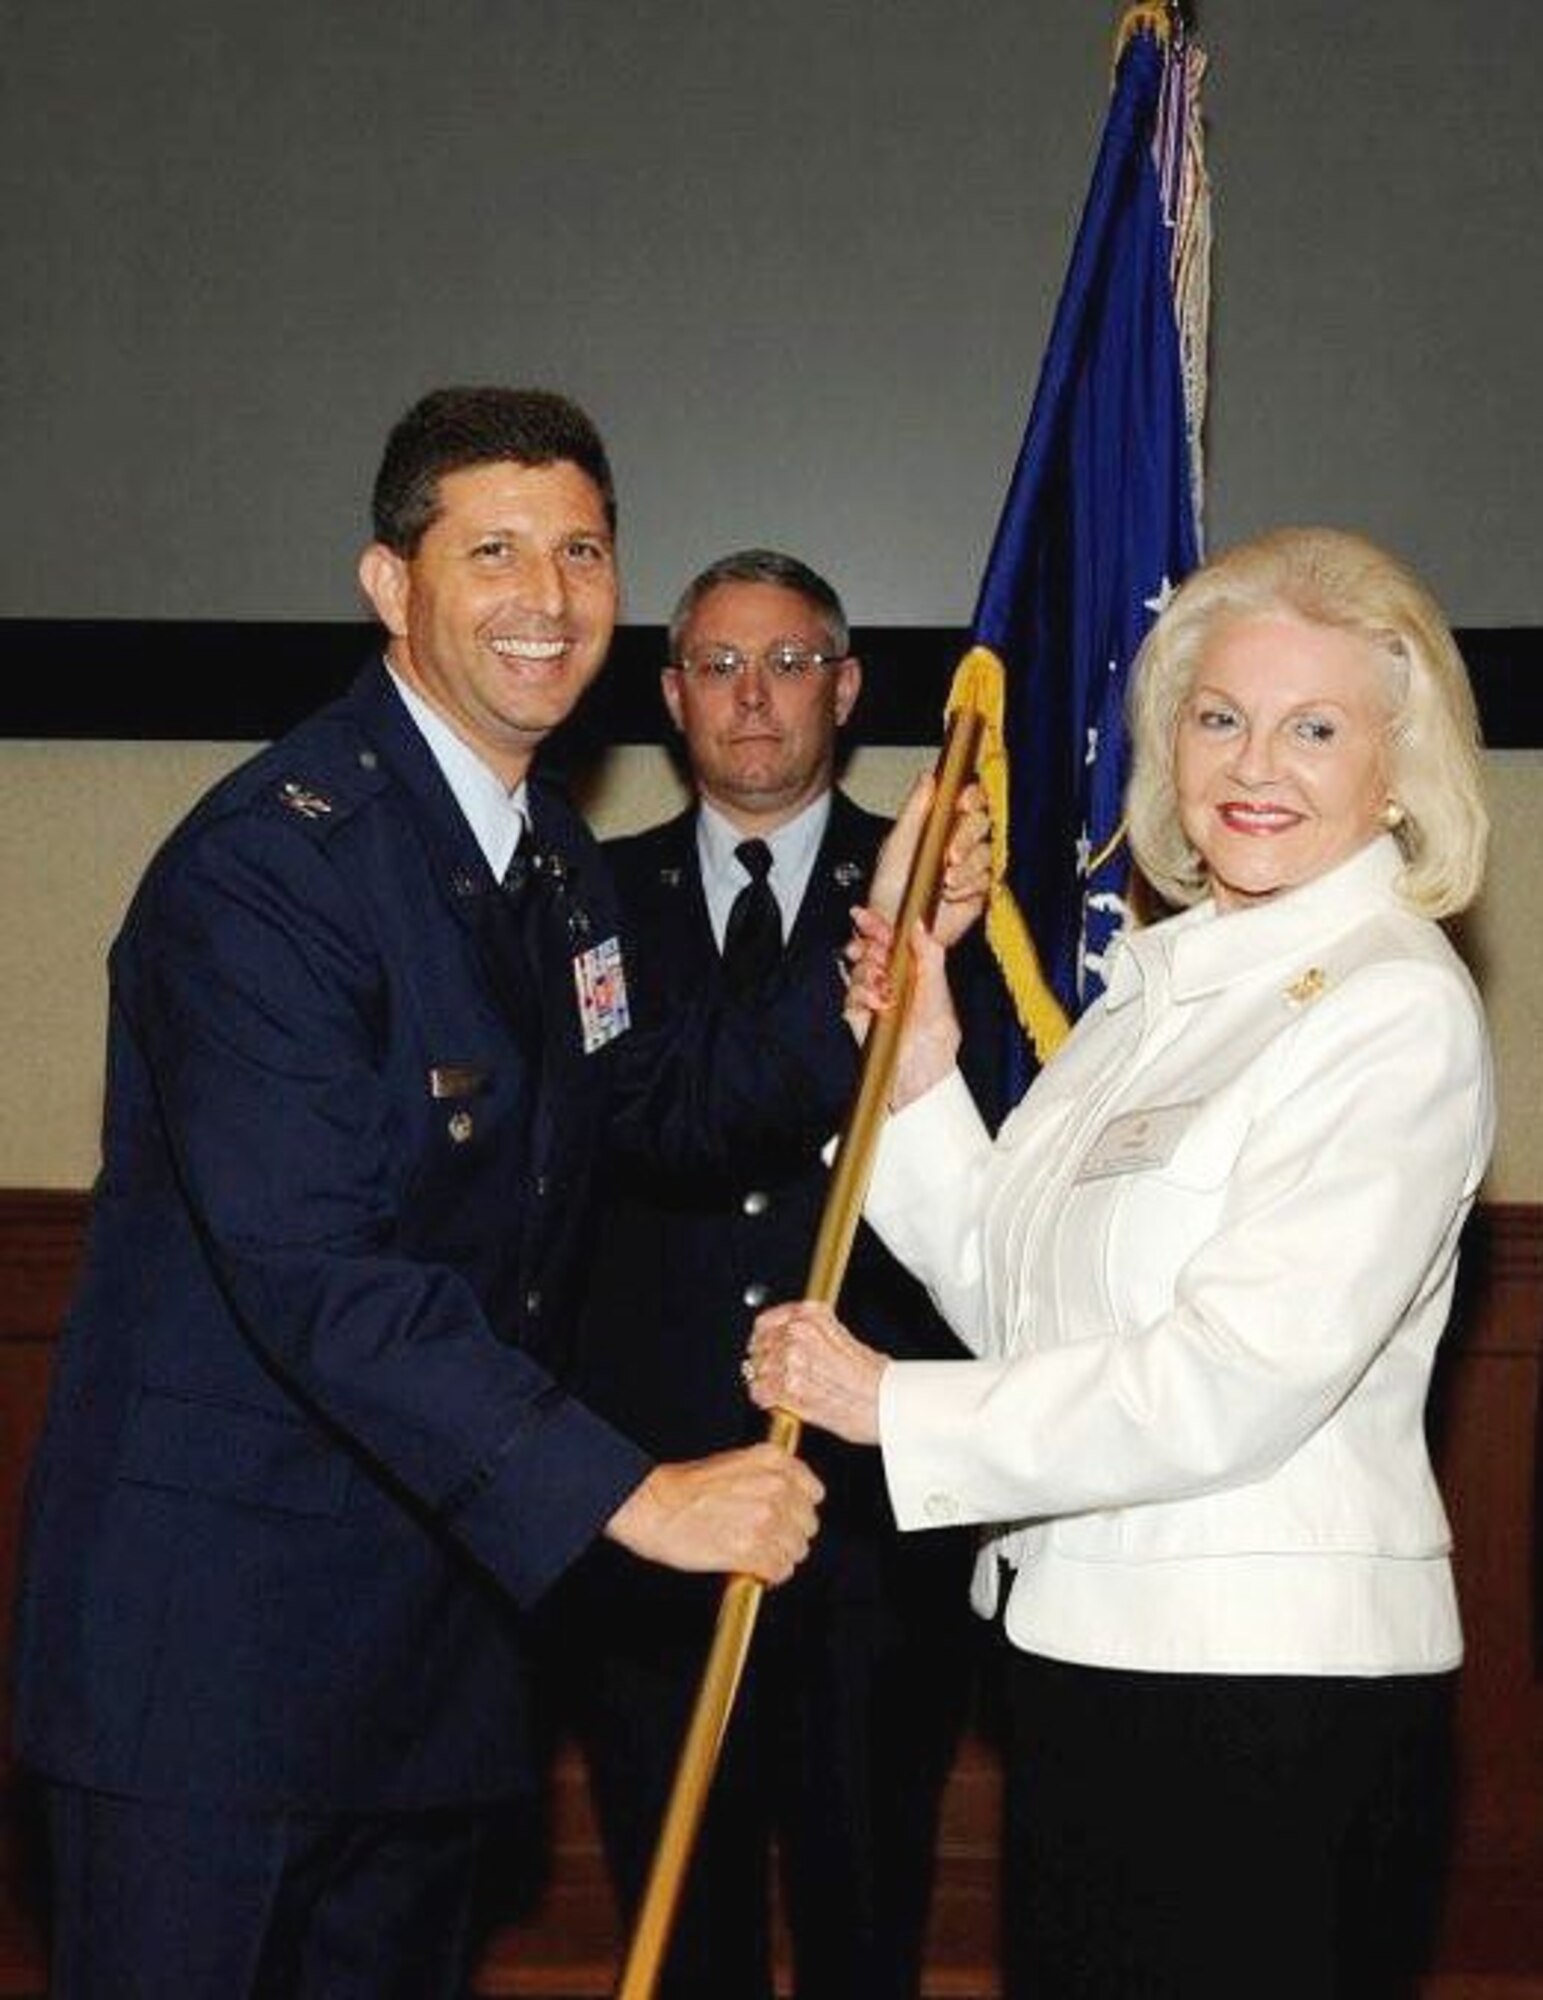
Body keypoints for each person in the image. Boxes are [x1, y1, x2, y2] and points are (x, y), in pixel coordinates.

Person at [9, 386, 858, 2000]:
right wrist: (635, 1494)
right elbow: (326, 1278)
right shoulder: (269, 873)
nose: (548, 599)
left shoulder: (549, 856)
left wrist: (859, 1003)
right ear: (392, 586)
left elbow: (647, 1106)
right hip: (218, 1680)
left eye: (584, 551)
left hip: (430, 1668)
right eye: (494, 552)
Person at [746, 525, 1495, 1999]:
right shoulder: (1167, 985)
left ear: (1400, 773)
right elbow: (1020, 1295)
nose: (1253, 765)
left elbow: (1235, 1377)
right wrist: (923, 1058)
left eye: (1315, 727)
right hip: (1089, 1660)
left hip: (1269, 1699)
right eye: (1219, 717)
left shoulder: (1391, 1012)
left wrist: (895, 1406)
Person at [552, 549, 987, 1998]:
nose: (754, 698)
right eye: (720, 666)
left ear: (848, 688)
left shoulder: (948, 905)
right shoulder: (585, 905)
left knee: (871, 1919)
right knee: (685, 1932)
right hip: (650, 1503)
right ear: (670, 695)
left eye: (791, 663)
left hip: (871, 1519)